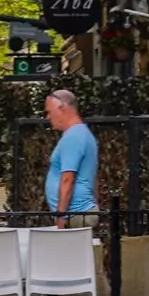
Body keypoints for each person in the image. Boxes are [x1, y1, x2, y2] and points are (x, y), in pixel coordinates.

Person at [44, 89, 97, 217]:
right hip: (80, 213)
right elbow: (94, 178)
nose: (48, 117)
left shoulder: (74, 136)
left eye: (49, 112)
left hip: (74, 215)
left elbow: (67, 179)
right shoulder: (82, 133)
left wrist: (61, 215)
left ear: (61, 108)